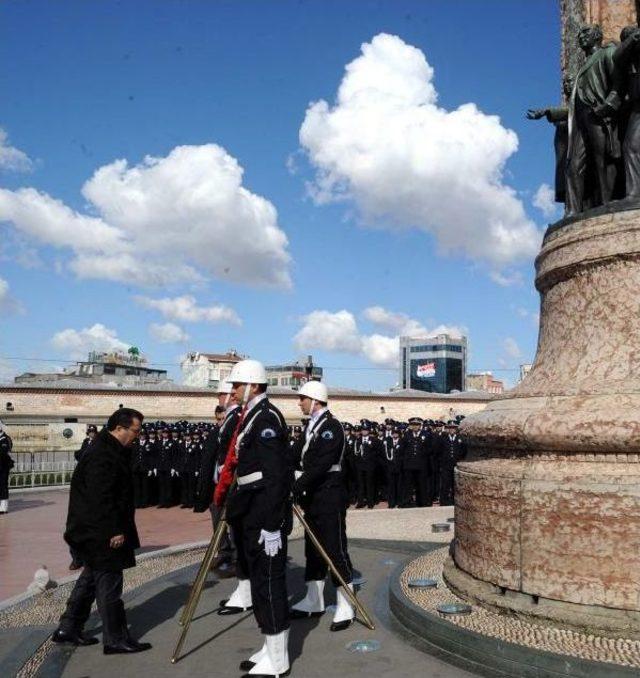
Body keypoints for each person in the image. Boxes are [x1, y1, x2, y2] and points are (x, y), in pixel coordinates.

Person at [52, 408, 151, 654]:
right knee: (109, 585)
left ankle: (68, 628)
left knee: (89, 581)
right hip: (101, 532)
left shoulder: (110, 448)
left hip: (92, 529)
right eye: (135, 431)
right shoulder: (103, 454)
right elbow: (101, 497)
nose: (137, 437)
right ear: (120, 428)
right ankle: (115, 638)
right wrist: (114, 530)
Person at [214, 359, 291, 678]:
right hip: (249, 508)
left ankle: (280, 658)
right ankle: (269, 644)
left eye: (236, 385)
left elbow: (276, 477)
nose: (232, 391)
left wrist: (272, 525)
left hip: (263, 512)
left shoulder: (267, 418)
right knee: (259, 582)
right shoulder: (252, 416)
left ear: (254, 386)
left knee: (269, 583)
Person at [290, 380, 355, 632]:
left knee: (335, 549)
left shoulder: (331, 427)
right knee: (313, 549)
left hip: (329, 496)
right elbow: (295, 455)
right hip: (313, 497)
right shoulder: (310, 427)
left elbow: (321, 464)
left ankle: (346, 604)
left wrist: (296, 484)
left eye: (303, 399)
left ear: (315, 400)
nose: (300, 403)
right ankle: (313, 600)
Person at [400, 417, 430, 507]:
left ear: (420, 426)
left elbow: (430, 449)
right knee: (408, 485)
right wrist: (404, 462)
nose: (415, 427)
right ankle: (407, 502)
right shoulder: (406, 435)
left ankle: (422, 502)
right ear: (411, 426)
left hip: (421, 465)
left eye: (417, 425)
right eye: (413, 425)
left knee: (421, 485)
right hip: (409, 465)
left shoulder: (426, 435)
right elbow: (402, 449)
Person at [439, 421, 467, 506]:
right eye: (450, 428)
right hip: (446, 466)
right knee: (445, 485)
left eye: (453, 428)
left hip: (456, 464)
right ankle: (443, 502)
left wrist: (460, 460)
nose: (452, 429)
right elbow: (439, 451)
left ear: (456, 429)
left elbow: (464, 451)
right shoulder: (443, 438)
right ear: (447, 429)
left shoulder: (460, 439)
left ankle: (454, 501)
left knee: (455, 484)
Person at [382, 426, 403, 508]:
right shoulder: (388, 442)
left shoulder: (402, 442)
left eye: (396, 433)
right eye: (393, 433)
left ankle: (399, 502)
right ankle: (391, 502)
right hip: (390, 467)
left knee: (399, 486)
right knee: (391, 486)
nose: (395, 434)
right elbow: (385, 454)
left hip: (399, 467)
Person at [0, 420, 14, 515]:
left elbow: (5, 452)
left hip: (3, 466)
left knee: (3, 485)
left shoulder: (6, 439)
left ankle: (3, 508)